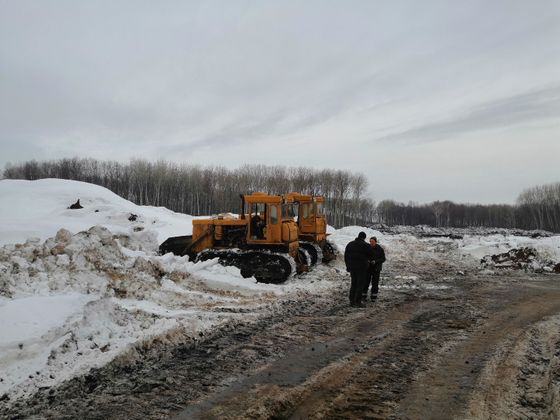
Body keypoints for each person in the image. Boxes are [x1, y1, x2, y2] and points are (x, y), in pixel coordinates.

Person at [344, 231, 375, 307]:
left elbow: (346, 256)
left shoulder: (350, 244)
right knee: (360, 284)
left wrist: (348, 265)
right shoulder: (365, 245)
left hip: (352, 267)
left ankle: (351, 301)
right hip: (362, 268)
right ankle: (358, 302)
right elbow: (372, 255)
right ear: (364, 237)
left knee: (353, 283)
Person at [363, 236, 386, 301]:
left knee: (375, 283)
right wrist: (367, 260)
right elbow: (365, 256)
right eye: (370, 242)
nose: (371, 243)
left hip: (376, 269)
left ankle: (373, 297)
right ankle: (364, 295)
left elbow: (383, 259)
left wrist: (376, 261)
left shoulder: (380, 249)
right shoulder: (368, 248)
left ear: (376, 242)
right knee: (366, 282)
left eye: (372, 242)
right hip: (368, 268)